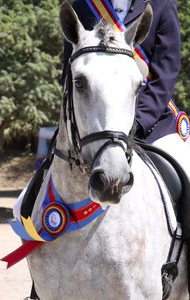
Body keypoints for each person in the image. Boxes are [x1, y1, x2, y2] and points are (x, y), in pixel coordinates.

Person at [62, 0, 190, 289]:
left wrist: (137, 123)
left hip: (152, 122)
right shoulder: (84, 4)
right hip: (93, 124)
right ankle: (39, 285)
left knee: (186, 172)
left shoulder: (162, 5)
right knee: (41, 187)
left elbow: (165, 73)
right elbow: (70, 74)